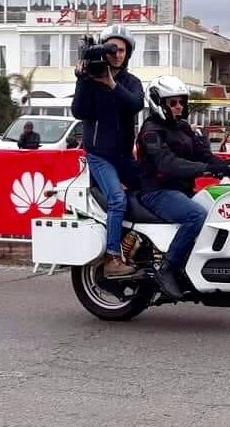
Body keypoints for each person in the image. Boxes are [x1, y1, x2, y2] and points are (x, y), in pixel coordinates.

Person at [135, 75, 230, 301]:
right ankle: (168, 269)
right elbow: (166, 164)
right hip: (157, 191)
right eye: (173, 102)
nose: (179, 106)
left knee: (220, 210)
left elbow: (205, 156)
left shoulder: (183, 128)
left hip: (181, 191)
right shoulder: (151, 131)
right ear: (158, 103)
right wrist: (204, 169)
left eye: (181, 102)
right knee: (196, 216)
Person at [71, 24, 145, 278]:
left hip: (124, 156)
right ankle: (112, 257)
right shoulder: (91, 80)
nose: (117, 54)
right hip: (99, 155)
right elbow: (79, 112)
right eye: (112, 49)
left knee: (152, 191)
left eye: (122, 50)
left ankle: (138, 245)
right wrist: (82, 80)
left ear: (128, 53)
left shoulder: (131, 82)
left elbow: (135, 104)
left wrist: (112, 84)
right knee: (117, 199)